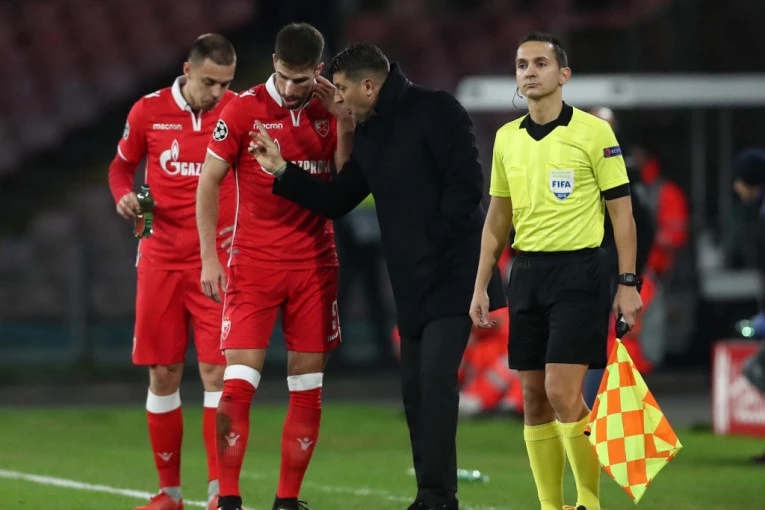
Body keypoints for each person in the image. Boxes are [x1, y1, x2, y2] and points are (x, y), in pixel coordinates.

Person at [249, 41, 506, 510]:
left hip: (456, 275)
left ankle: (438, 498)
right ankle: (429, 495)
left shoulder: (437, 109)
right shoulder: (369, 132)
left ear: (369, 85)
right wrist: (282, 170)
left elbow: (467, 188)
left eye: (341, 89)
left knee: (436, 384)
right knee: (414, 393)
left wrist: (431, 245)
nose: (337, 98)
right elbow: (337, 200)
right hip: (411, 283)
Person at [470, 32, 642, 510]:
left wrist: (628, 283)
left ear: (564, 74)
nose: (529, 71)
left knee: (562, 392)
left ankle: (588, 501)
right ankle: (550, 505)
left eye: (540, 63)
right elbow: (497, 219)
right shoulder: (507, 138)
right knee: (533, 398)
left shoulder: (594, 132)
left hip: (579, 272)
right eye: (522, 64)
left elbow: (622, 215)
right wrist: (481, 284)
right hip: (526, 272)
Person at [196, 23, 353, 510]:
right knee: (238, 384)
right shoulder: (242, 109)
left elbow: (345, 183)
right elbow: (208, 181)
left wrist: (344, 122)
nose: (288, 87)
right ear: (273, 63)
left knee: (307, 387)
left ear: (318, 71)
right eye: (283, 75)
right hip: (254, 266)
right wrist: (210, 257)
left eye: (300, 79)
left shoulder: (331, 110)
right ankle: (228, 499)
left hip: (314, 266)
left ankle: (287, 501)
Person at [108, 34, 238, 510]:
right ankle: (170, 494)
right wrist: (124, 196)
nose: (217, 93)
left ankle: (220, 493)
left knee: (217, 372)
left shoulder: (236, 112)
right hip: (159, 260)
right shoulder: (148, 111)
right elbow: (121, 167)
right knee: (163, 373)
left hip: (215, 262)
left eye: (226, 84)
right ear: (188, 69)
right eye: (209, 82)